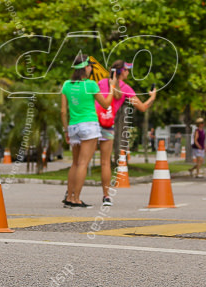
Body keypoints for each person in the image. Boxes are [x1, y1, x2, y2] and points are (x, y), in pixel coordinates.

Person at [95, 60, 156, 205]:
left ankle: (72, 195)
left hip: (91, 121)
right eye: (128, 70)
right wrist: (152, 96)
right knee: (105, 162)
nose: (129, 73)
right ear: (123, 72)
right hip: (107, 124)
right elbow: (142, 107)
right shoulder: (126, 88)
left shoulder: (100, 83)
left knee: (81, 162)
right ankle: (106, 196)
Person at [60, 57, 116, 208]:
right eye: (90, 66)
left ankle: (70, 196)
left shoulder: (66, 85)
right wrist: (111, 87)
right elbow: (105, 104)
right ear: (85, 68)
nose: (91, 69)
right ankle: (76, 200)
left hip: (73, 126)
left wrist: (66, 130)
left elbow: (63, 111)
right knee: (83, 163)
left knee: (75, 163)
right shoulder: (90, 85)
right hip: (89, 126)